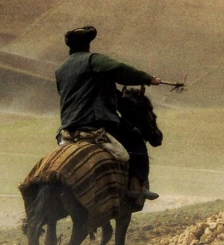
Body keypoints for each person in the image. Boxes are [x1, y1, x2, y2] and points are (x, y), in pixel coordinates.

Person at [55, 25, 161, 200]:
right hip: (97, 121)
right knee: (136, 141)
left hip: (68, 126)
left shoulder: (60, 70)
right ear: (87, 45)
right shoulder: (92, 60)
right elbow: (119, 69)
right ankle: (136, 186)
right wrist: (148, 79)